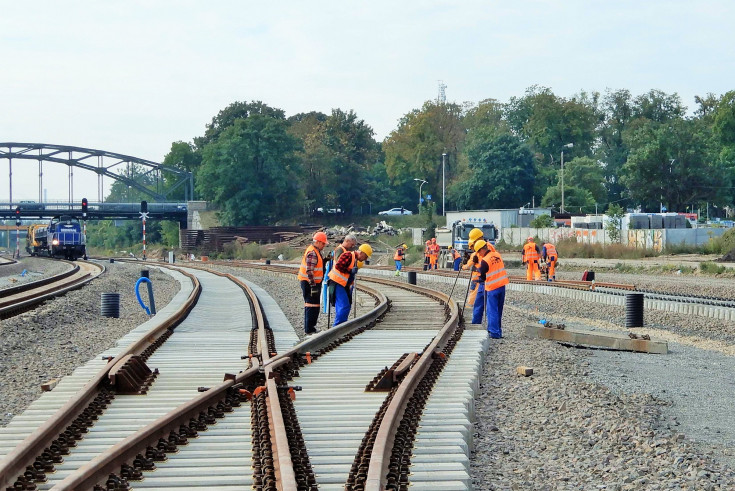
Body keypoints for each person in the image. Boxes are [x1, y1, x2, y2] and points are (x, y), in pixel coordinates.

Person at [328, 243, 373, 327]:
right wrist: (350, 271)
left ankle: (342, 327)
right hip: (337, 282)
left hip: (342, 284)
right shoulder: (348, 255)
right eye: (366, 256)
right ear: (362, 253)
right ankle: (336, 327)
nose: (365, 259)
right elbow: (338, 266)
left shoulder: (354, 259)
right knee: (344, 306)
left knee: (345, 306)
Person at [474, 240, 508, 338]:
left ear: (481, 250)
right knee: (499, 310)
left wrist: (478, 271)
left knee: (492, 310)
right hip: (502, 286)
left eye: (478, 252)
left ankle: (494, 333)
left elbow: (483, 276)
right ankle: (498, 331)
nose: (479, 254)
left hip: (492, 288)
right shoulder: (497, 254)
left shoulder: (485, 261)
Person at [297, 231, 327, 335]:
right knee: (311, 305)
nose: (324, 245)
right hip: (310, 283)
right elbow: (309, 270)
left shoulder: (315, 251)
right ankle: (309, 329)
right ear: (318, 242)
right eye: (323, 243)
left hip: (311, 283)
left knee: (314, 305)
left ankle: (311, 328)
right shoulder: (313, 253)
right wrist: (313, 284)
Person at [463, 228, 486, 313]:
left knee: (473, 294)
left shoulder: (475, 253)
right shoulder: (489, 247)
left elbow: (468, 266)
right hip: (485, 277)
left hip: (477, 277)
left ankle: (470, 308)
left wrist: (463, 266)